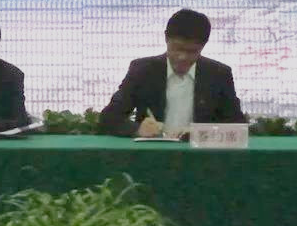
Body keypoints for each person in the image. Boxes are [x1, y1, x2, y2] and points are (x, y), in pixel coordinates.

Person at [99, 8, 245, 137]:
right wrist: (137, 129)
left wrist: (201, 132)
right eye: (177, 48)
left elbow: (237, 124)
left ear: (203, 46)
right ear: (166, 39)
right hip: (152, 152)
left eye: (191, 51)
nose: (182, 57)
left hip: (200, 155)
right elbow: (109, 118)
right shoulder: (143, 70)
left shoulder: (218, 74)